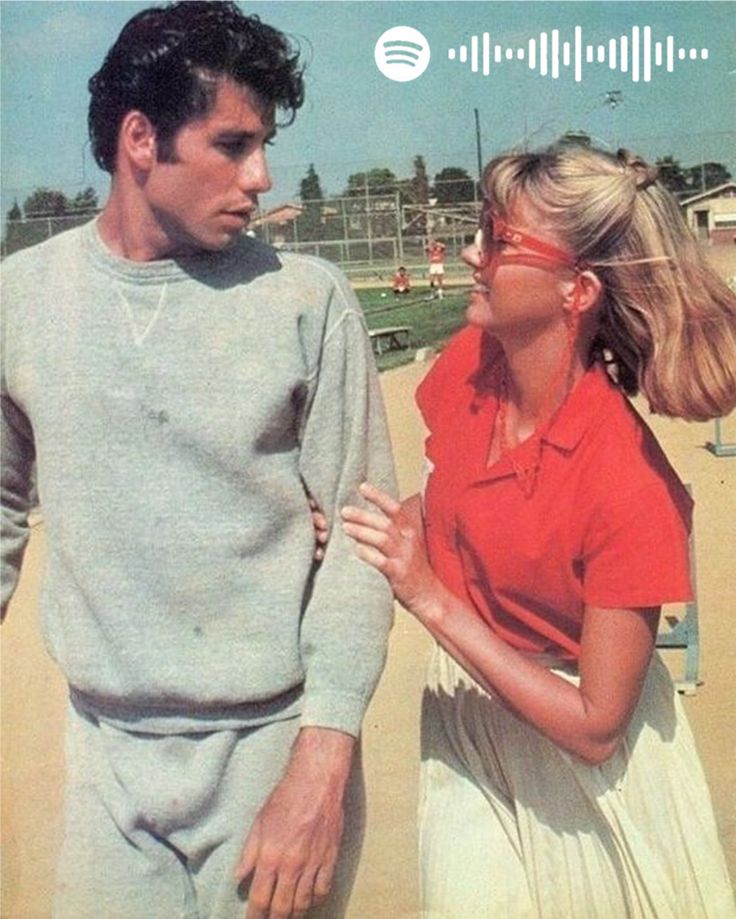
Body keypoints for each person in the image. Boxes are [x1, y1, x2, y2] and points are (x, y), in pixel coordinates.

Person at [0, 3, 395, 918]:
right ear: (141, 138)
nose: (260, 177)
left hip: (273, 754)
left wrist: (323, 763)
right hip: (102, 758)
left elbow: (365, 538)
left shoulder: (308, 300)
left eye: (262, 145)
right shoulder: (20, 300)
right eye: (232, 143)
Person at [341, 145, 736, 917]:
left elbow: (595, 726)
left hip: (590, 767)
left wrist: (430, 600)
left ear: (577, 290)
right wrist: (381, 527)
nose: (470, 253)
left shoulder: (628, 482)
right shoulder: (470, 366)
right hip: (468, 718)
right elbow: (456, 506)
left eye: (497, 241)